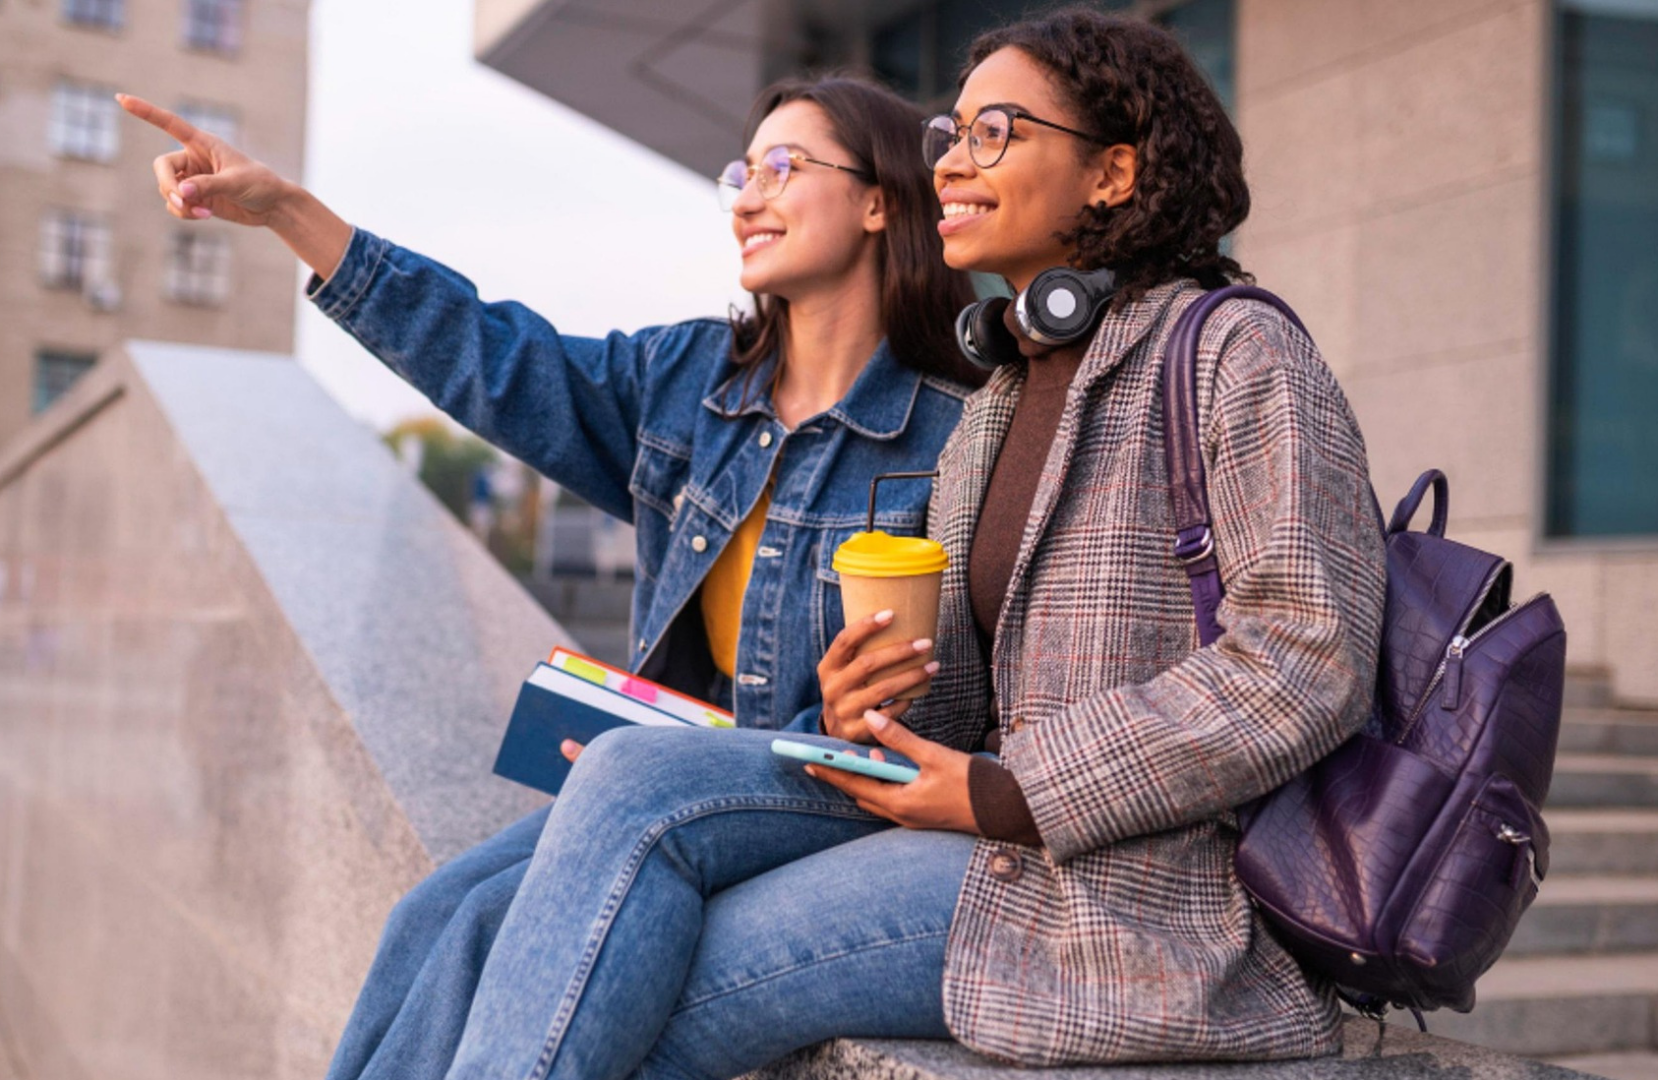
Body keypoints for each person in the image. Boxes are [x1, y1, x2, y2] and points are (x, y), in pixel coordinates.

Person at [433, 8, 1389, 1079]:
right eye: (950, 135)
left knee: (629, 955)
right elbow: (972, 696)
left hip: (1135, 899)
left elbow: (1306, 658)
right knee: (592, 870)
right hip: (988, 851)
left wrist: (1009, 792)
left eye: (996, 133)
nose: (953, 164)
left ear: (1112, 173)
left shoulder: (1234, 348)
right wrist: (869, 701)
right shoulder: (1004, 391)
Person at [119, 75, 979, 1080]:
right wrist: (290, 214)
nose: (746, 197)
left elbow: (980, 679)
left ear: (879, 201)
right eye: (739, 173)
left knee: (519, 897)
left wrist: (864, 708)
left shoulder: (952, 430)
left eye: (782, 168)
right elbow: (495, 358)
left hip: (847, 785)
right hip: (693, 777)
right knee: (441, 910)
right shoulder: (692, 384)